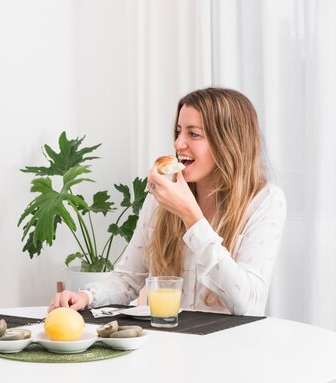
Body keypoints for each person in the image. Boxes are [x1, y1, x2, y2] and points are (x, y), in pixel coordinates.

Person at [50, 87, 286, 317]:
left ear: (228, 143)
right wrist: (86, 297)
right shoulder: (162, 198)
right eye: (178, 132)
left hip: (232, 348)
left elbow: (247, 303)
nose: (178, 144)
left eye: (193, 134)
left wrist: (192, 218)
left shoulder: (265, 201)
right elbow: (127, 280)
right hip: (170, 344)